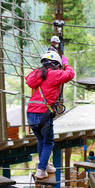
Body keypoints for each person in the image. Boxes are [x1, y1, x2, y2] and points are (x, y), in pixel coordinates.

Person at [26, 51, 74, 179]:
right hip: (43, 114)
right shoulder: (54, 74)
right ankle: (41, 170)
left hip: (31, 113)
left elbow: (28, 80)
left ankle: (44, 164)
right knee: (48, 143)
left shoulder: (36, 73)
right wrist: (66, 64)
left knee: (41, 139)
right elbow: (70, 74)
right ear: (56, 65)